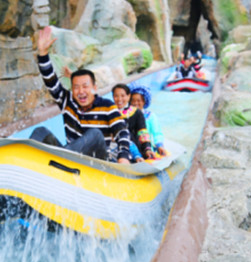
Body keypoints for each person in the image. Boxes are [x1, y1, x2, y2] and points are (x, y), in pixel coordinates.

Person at [30, 27, 132, 164]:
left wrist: (123, 156)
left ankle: (62, 161)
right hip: (70, 159)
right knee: (40, 131)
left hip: (97, 164)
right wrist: (42, 54)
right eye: (76, 87)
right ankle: (25, 167)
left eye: (85, 86)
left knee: (95, 134)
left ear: (94, 88)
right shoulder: (68, 101)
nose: (81, 91)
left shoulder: (107, 106)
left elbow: (122, 132)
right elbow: (50, 80)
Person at [112, 83, 154, 161]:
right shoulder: (110, 112)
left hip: (133, 148)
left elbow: (142, 133)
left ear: (128, 96)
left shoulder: (136, 112)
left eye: (122, 96)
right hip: (114, 146)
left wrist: (147, 149)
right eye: (116, 96)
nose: (119, 99)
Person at [129, 86, 167, 157]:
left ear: (144, 101)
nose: (135, 103)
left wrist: (159, 145)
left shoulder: (150, 116)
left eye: (138, 100)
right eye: (133, 100)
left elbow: (157, 133)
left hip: (147, 148)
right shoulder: (127, 115)